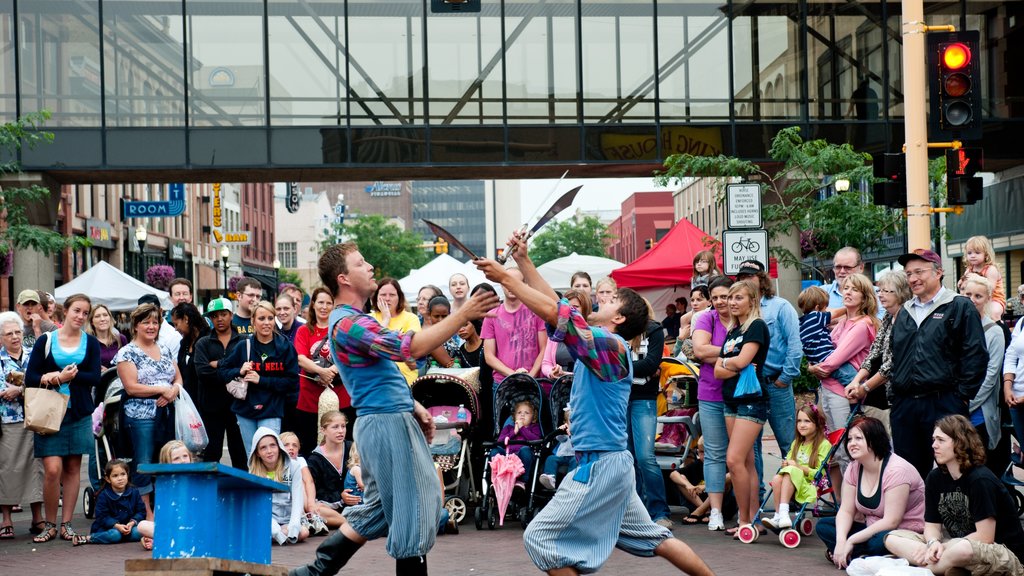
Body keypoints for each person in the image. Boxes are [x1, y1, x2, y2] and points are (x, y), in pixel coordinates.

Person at [474, 234, 713, 576]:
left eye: (612, 299)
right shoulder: (603, 341)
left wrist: (508, 278)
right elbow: (555, 304)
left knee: (540, 538)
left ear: (618, 319)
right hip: (610, 464)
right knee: (654, 539)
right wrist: (524, 263)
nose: (603, 298)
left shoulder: (607, 344)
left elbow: (554, 311)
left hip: (600, 466)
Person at [288, 241, 499, 576]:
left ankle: (314, 571)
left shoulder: (353, 320)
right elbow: (409, 347)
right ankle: (315, 571)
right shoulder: (349, 324)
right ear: (344, 279)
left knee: (382, 511)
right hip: (385, 424)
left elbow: (382, 372)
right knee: (416, 512)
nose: (370, 266)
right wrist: (463, 312)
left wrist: (412, 405)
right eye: (361, 263)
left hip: (387, 419)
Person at [889, 249, 989, 479]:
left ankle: (952, 516)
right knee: (908, 472)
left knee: (953, 469)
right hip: (905, 406)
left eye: (919, 272)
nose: (913, 278)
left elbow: (976, 355)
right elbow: (896, 355)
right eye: (908, 274)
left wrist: (962, 395)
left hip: (943, 401)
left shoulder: (958, 306)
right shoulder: (904, 312)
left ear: (939, 273)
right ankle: (916, 516)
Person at [885, 415, 1024, 575]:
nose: (934, 445)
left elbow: (985, 536)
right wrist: (932, 543)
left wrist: (943, 547)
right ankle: (948, 566)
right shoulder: (935, 478)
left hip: (1000, 552)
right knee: (892, 538)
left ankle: (922, 570)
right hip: (954, 545)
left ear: (960, 443)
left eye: (941, 440)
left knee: (963, 550)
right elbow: (931, 526)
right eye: (933, 439)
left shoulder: (980, 479)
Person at [25, 294, 101, 543]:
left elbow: (94, 377)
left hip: (78, 413)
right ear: (65, 311)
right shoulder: (47, 341)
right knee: (52, 470)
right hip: (49, 413)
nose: (80, 316)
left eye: (85, 313)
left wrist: (73, 377)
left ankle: (66, 523)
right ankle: (49, 524)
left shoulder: (90, 342)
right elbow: (31, 377)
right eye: (76, 311)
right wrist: (58, 377)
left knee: (72, 469)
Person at [816, 416, 925, 569]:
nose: (852, 443)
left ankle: (856, 556)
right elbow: (846, 511)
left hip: (902, 533)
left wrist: (851, 540)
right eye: (850, 439)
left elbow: (891, 521)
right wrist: (841, 542)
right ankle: (861, 557)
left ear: (874, 441)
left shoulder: (897, 471)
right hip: (870, 529)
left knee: (877, 543)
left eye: (858, 438)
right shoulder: (854, 468)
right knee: (824, 526)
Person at [735, 260, 800, 500]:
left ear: (761, 279)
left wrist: (785, 378)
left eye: (750, 276)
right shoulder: (740, 309)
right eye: (741, 276)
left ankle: (792, 500)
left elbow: (795, 345)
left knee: (787, 442)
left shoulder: (780, 307)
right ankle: (758, 498)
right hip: (750, 384)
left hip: (775, 382)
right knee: (752, 447)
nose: (745, 279)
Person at [807, 273, 879, 487]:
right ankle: (845, 500)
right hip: (828, 389)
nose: (847, 292)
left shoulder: (863, 325)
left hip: (844, 393)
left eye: (854, 289)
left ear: (865, 296)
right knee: (836, 450)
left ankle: (858, 502)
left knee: (847, 449)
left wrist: (814, 368)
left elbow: (833, 360)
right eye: (845, 288)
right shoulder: (843, 321)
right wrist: (815, 367)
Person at [714, 279, 770, 538]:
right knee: (746, 462)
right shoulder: (733, 331)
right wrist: (731, 363)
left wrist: (731, 363)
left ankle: (745, 520)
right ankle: (754, 520)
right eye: (730, 298)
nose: (731, 303)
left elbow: (744, 359)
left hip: (751, 400)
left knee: (733, 459)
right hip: (731, 400)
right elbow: (718, 370)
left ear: (752, 301)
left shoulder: (756, 326)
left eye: (738, 298)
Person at [116, 303, 183, 518]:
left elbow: (177, 376)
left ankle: (167, 505)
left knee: (169, 458)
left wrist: (173, 389)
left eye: (155, 322)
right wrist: (160, 389)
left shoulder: (164, 348)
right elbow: (131, 386)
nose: (151, 326)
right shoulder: (127, 352)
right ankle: (146, 511)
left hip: (168, 413)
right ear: (136, 325)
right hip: (140, 415)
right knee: (144, 462)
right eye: (146, 322)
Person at [219, 300, 300, 454]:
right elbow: (223, 371)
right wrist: (239, 371)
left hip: (271, 409)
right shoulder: (244, 346)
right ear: (253, 321)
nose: (266, 323)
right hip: (245, 409)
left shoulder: (285, 347)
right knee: (252, 455)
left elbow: (292, 382)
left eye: (270, 318)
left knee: (269, 455)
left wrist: (261, 380)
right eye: (261, 319)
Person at [690, 275, 734, 531]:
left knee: (743, 456)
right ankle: (715, 511)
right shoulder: (707, 318)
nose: (719, 301)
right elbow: (699, 351)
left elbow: (709, 351)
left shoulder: (745, 317)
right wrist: (736, 349)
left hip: (741, 396)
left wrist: (716, 349)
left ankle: (747, 511)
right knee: (715, 454)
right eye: (714, 297)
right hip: (710, 393)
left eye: (724, 296)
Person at [844, 270, 912, 431]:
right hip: (880, 395)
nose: (881, 295)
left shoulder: (908, 319)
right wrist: (856, 380)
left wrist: (865, 387)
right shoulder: (888, 317)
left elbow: (891, 364)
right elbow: (874, 353)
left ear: (901, 293)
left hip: (898, 396)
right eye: (879, 290)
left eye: (887, 291)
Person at [627, 300, 672, 527]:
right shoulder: (617, 331)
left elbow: (652, 363)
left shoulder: (653, 330)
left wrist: (618, 366)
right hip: (619, 399)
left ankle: (659, 512)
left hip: (643, 398)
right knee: (627, 458)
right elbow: (645, 367)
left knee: (645, 457)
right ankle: (634, 512)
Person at [0, 311, 44, 539]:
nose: (15, 337)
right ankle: (6, 519)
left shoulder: (33, 354)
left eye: (18, 332)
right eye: (9, 334)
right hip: (8, 421)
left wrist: (20, 389)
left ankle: (38, 518)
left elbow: (42, 380)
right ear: (1, 337)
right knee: (8, 469)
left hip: (36, 417)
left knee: (36, 468)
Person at [960, 274, 1008, 475]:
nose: (972, 300)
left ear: (987, 299)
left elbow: (991, 376)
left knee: (981, 468)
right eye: (968, 294)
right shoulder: (955, 327)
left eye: (978, 296)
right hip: (956, 408)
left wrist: (968, 403)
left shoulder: (994, 332)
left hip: (979, 412)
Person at [192, 298, 247, 468]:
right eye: (215, 316)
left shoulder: (244, 341)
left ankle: (241, 491)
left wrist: (218, 365)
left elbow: (248, 368)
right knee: (212, 453)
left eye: (223, 314)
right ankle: (209, 491)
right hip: (211, 407)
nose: (219, 319)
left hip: (238, 405)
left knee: (240, 453)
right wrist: (234, 370)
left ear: (231, 315)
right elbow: (202, 372)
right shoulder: (203, 342)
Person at [294, 287, 350, 455]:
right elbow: (301, 358)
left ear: (334, 306)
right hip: (310, 397)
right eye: (320, 302)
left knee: (341, 445)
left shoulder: (341, 330)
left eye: (328, 303)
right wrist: (321, 371)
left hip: (340, 396)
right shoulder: (304, 330)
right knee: (309, 445)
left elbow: (347, 355)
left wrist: (331, 370)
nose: (324, 307)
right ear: (313, 305)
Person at [763, 404, 831, 529]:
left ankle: (783, 513)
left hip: (809, 485)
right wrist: (786, 464)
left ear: (817, 423)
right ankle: (778, 516)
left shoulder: (824, 444)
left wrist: (798, 467)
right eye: (799, 421)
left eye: (807, 421)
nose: (802, 425)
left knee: (791, 470)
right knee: (778, 478)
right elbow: (788, 462)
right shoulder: (797, 443)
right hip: (790, 483)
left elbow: (819, 474)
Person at [481, 268, 547, 384]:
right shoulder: (491, 316)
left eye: (516, 282)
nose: (511, 286)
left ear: (524, 285)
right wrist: (514, 375)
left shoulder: (536, 312)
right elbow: (489, 356)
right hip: (503, 381)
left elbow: (544, 349)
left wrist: (530, 376)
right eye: (508, 281)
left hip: (535, 381)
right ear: (501, 284)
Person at [249, 427, 309, 545]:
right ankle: (272, 534)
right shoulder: (254, 471)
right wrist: (275, 530)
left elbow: (298, 498)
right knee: (263, 527)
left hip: (287, 520)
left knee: (304, 532)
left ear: (279, 447)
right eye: (263, 448)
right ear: (257, 453)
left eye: (273, 445)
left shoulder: (294, 466)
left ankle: (268, 536)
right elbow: (258, 505)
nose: (269, 451)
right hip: (267, 519)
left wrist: (294, 526)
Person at [135, 439, 196, 550]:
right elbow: (158, 517)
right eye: (176, 458)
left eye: (185, 456)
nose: (182, 461)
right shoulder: (164, 485)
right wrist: (146, 537)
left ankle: (164, 540)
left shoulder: (198, 479)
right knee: (142, 526)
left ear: (190, 457)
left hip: (194, 526)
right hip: (173, 528)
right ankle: (165, 539)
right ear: (167, 463)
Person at [71, 459, 145, 547]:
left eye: (123, 474)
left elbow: (141, 511)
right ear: (108, 479)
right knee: (115, 535)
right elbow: (102, 517)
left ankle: (121, 537)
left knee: (139, 531)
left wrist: (132, 522)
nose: (120, 478)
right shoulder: (104, 495)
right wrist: (116, 525)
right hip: (108, 528)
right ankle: (89, 538)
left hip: (128, 527)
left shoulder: (134, 492)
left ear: (127, 475)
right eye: (115, 476)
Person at [304, 411, 355, 530]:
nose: (341, 431)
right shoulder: (315, 459)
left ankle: (347, 522)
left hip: (356, 503)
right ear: (323, 430)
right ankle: (349, 523)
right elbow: (317, 491)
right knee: (317, 509)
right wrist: (341, 497)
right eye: (335, 427)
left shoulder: (352, 448)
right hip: (331, 507)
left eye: (343, 426)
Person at [796, 286, 855, 388]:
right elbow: (835, 314)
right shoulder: (816, 316)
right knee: (853, 380)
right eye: (825, 308)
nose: (826, 310)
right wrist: (849, 307)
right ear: (817, 308)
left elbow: (832, 321)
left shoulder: (803, 322)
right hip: (827, 358)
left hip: (816, 362)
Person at [370, 278, 422, 385]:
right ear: (376, 297)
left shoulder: (411, 318)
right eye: (383, 295)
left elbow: (412, 347)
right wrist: (386, 320)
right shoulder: (368, 318)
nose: (387, 299)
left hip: (405, 381)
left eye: (392, 295)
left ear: (399, 297)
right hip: (376, 381)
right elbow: (371, 346)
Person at [279, 431, 330, 536]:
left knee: (319, 508)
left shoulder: (300, 460)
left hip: (306, 503)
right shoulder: (278, 463)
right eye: (286, 445)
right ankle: (303, 517)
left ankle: (313, 518)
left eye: (295, 445)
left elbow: (309, 481)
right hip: (288, 503)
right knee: (298, 481)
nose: (291, 448)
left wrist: (311, 504)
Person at [540, 289, 591, 379]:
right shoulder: (555, 334)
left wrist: (566, 374)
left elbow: (592, 371)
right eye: (568, 307)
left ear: (585, 310)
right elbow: (546, 363)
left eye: (575, 307)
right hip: (560, 387)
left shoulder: (590, 334)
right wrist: (552, 371)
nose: (570, 311)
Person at [492, 400, 543, 488]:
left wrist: (522, 428)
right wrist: (514, 432)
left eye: (526, 413)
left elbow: (536, 439)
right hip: (507, 455)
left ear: (533, 417)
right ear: (514, 416)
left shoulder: (534, 427)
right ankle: (498, 477)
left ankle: (522, 481)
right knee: (495, 451)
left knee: (525, 450)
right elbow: (500, 441)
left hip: (522, 456)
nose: (522, 415)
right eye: (519, 412)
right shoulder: (508, 428)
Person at [957, 235, 1006, 321]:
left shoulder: (991, 269)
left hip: (994, 299)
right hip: (975, 299)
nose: (972, 256)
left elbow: (991, 288)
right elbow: (963, 284)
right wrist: (961, 283)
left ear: (986, 254)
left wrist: (976, 277)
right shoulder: (969, 270)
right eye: (969, 253)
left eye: (977, 253)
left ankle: (999, 328)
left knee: (993, 313)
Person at [170, 302, 210, 402]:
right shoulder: (184, 343)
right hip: (188, 402)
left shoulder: (208, 340)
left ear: (186, 319)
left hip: (206, 404)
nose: (175, 329)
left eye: (176, 324)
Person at [138, 294, 181, 360]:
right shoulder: (139, 332)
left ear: (160, 311)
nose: (149, 316)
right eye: (144, 314)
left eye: (153, 312)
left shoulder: (173, 336)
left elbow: (174, 367)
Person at [674, 284, 710, 359]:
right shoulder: (686, 320)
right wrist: (680, 339)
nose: (694, 303)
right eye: (692, 300)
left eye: (699, 300)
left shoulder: (714, 319)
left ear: (709, 302)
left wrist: (681, 339)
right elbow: (677, 354)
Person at [87, 304, 127, 369]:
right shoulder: (88, 342)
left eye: (105, 315)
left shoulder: (121, 339)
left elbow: (129, 363)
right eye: (97, 316)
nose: (102, 319)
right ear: (91, 321)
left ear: (110, 318)